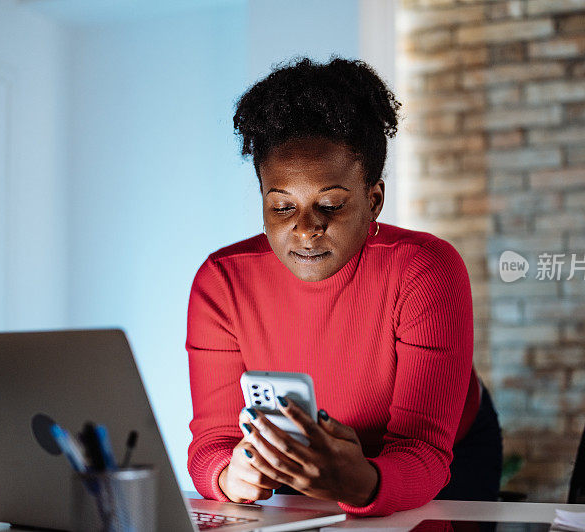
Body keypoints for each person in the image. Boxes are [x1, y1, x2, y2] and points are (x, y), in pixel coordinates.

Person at [186, 57, 502, 518]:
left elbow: (423, 450)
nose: (305, 229)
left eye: (330, 204)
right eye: (281, 207)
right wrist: (230, 476)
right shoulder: (223, 281)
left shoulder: (426, 270)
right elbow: (212, 444)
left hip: (448, 456)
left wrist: (361, 482)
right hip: (315, 472)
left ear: (374, 200)